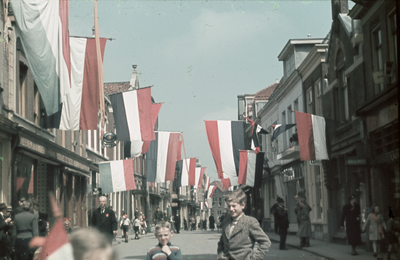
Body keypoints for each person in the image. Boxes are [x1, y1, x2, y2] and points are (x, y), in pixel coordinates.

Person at [217, 189, 271, 260]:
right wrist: (221, 254)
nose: (231, 209)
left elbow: (265, 242)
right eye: (229, 206)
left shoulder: (249, 222)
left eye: (234, 206)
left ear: (242, 205)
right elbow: (222, 242)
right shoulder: (226, 222)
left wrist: (255, 258)